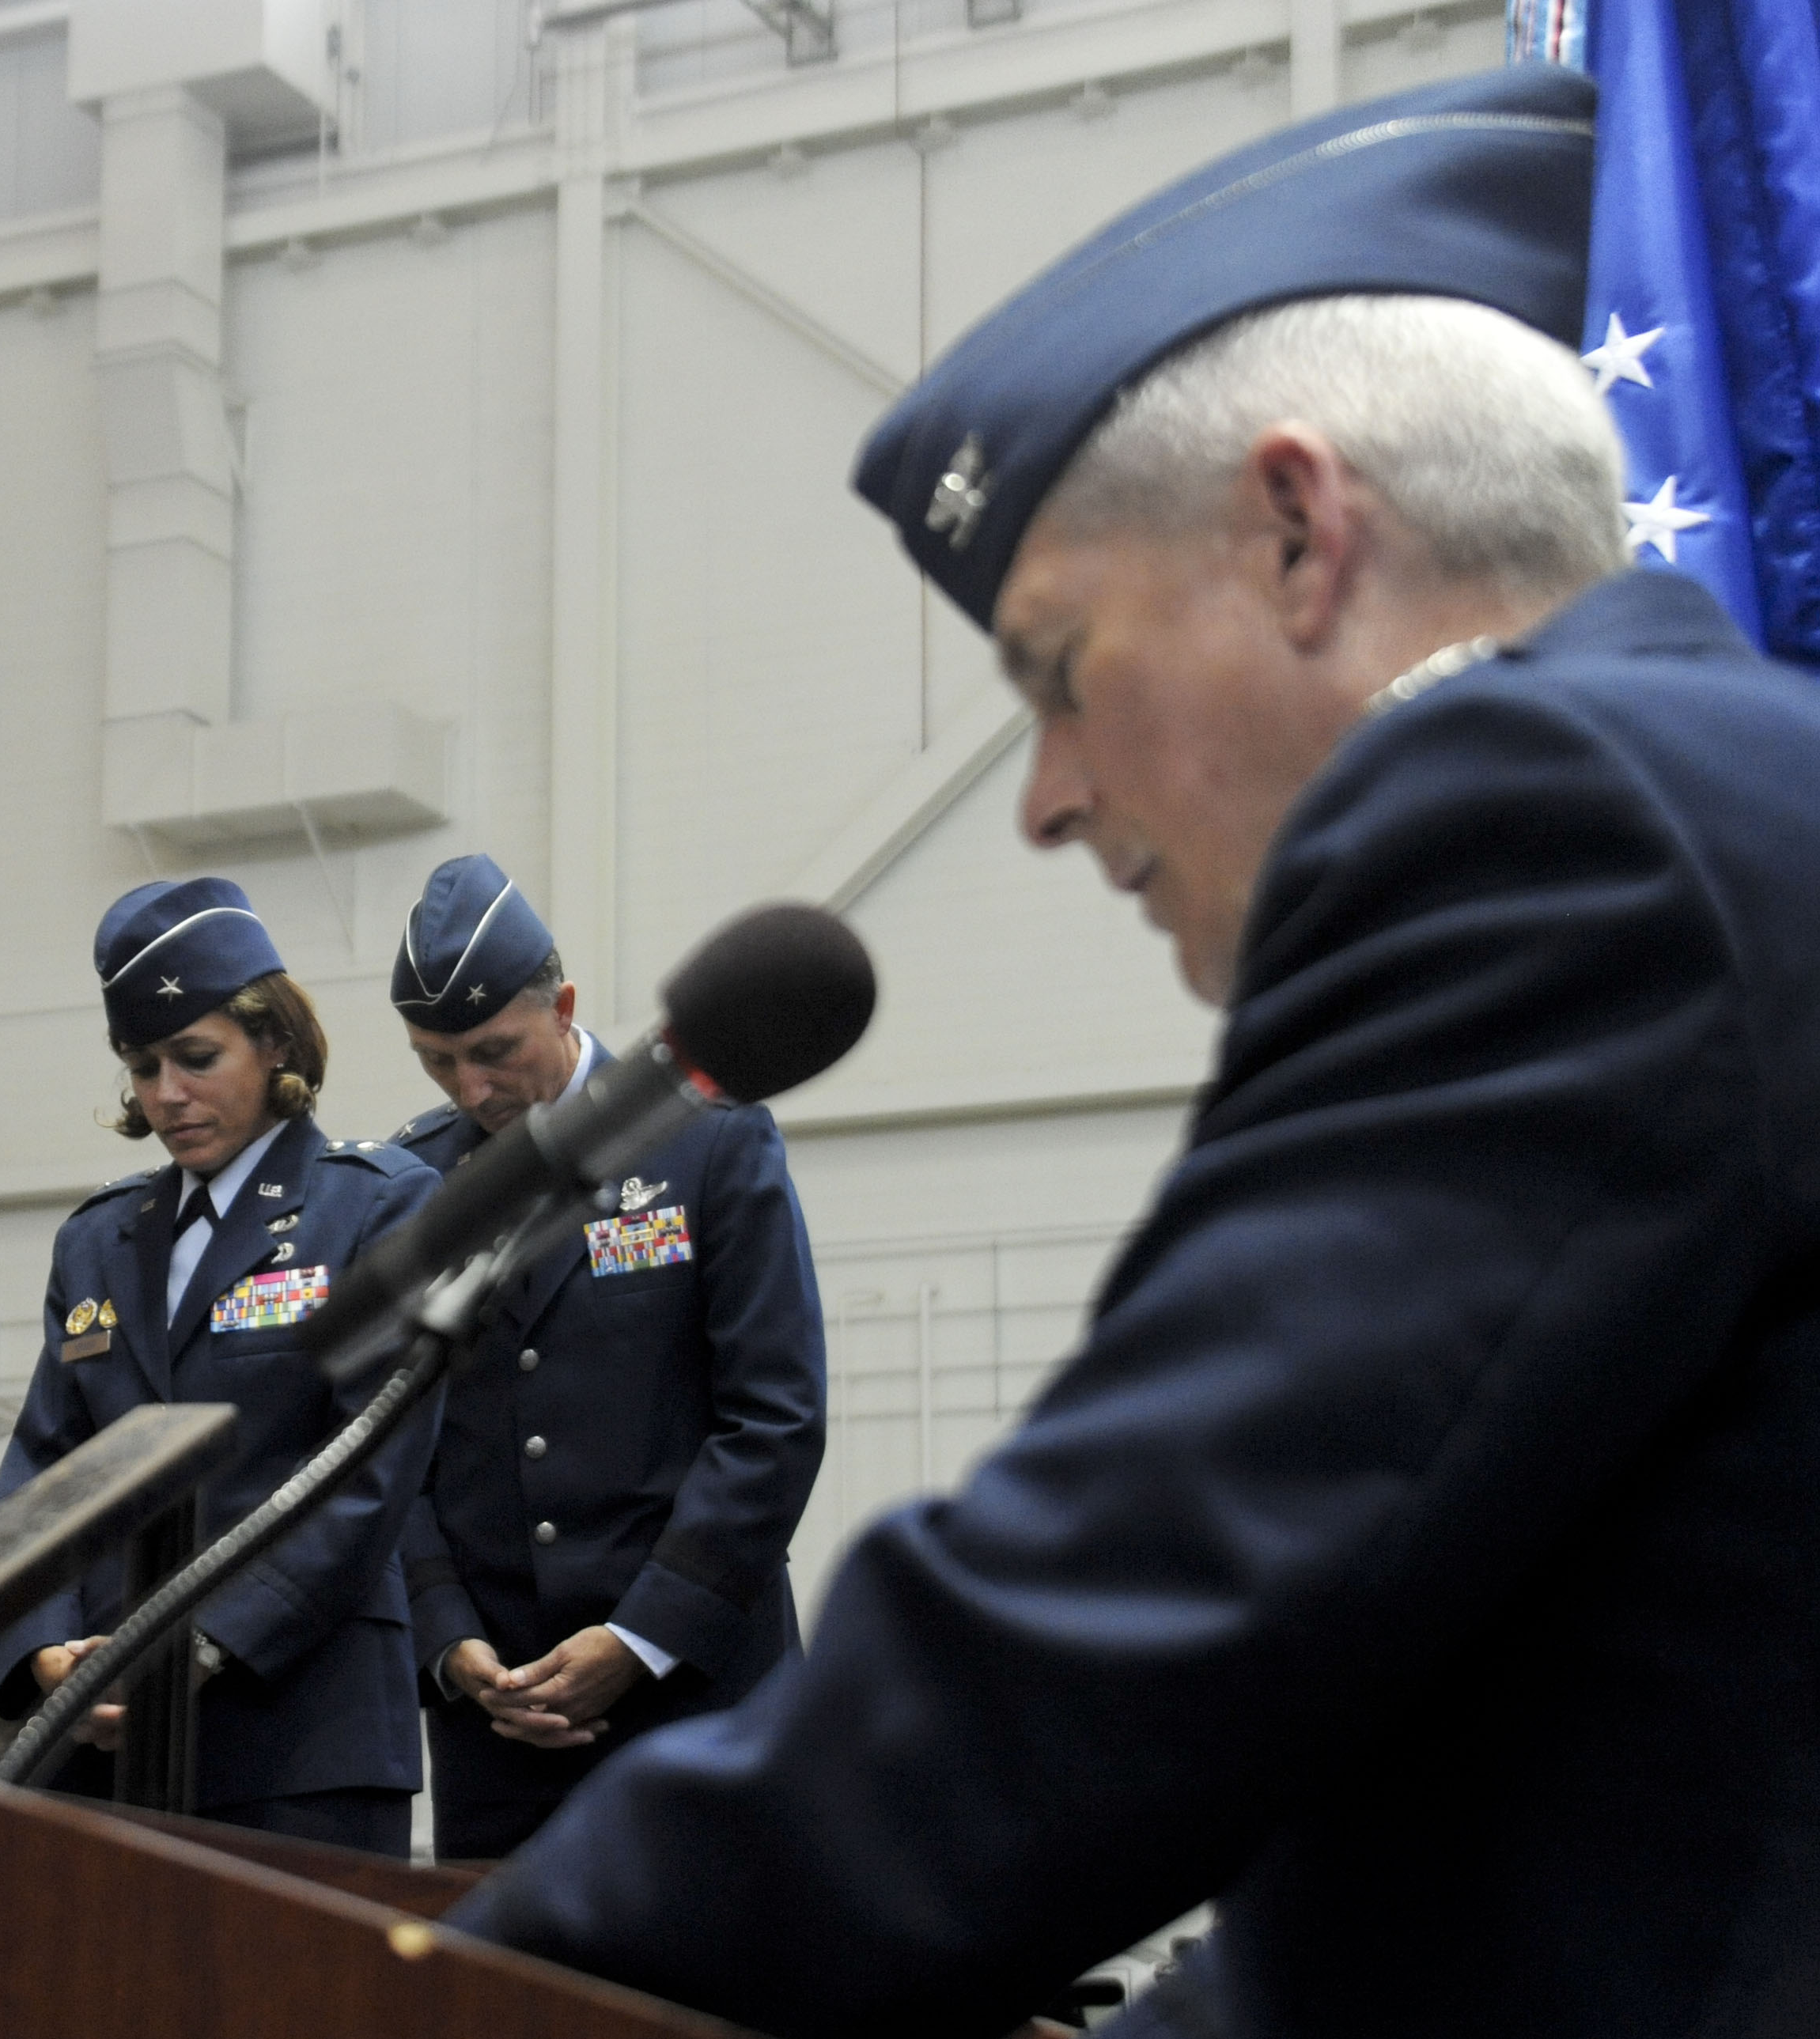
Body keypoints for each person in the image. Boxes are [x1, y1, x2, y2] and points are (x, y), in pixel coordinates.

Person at [456, 64, 1820, 2037]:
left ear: (1292, 533)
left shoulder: (1549, 812)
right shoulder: (1694, 802)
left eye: (1056, 674)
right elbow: (1451, 1814)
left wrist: (426, 1995)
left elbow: (1106, 1632)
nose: (1043, 798)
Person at [386, 854, 826, 1859]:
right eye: (436, 1061)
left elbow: (774, 1419)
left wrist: (637, 1639)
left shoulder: (706, 1140)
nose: (473, 1087)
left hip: (701, 1695)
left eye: (495, 1050)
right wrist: (450, 1645)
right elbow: (391, 1451)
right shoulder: (411, 1185)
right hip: (497, 1723)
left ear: (565, 1004)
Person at [0, 877, 439, 1856]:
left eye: (195, 1058)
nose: (165, 1096)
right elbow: (43, 1465)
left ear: (275, 1041)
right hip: (100, 1726)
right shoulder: (101, 1238)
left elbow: (367, 1470)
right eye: (143, 1067)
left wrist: (197, 1646)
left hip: (298, 1729)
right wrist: (42, 1648)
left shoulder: (372, 1207)